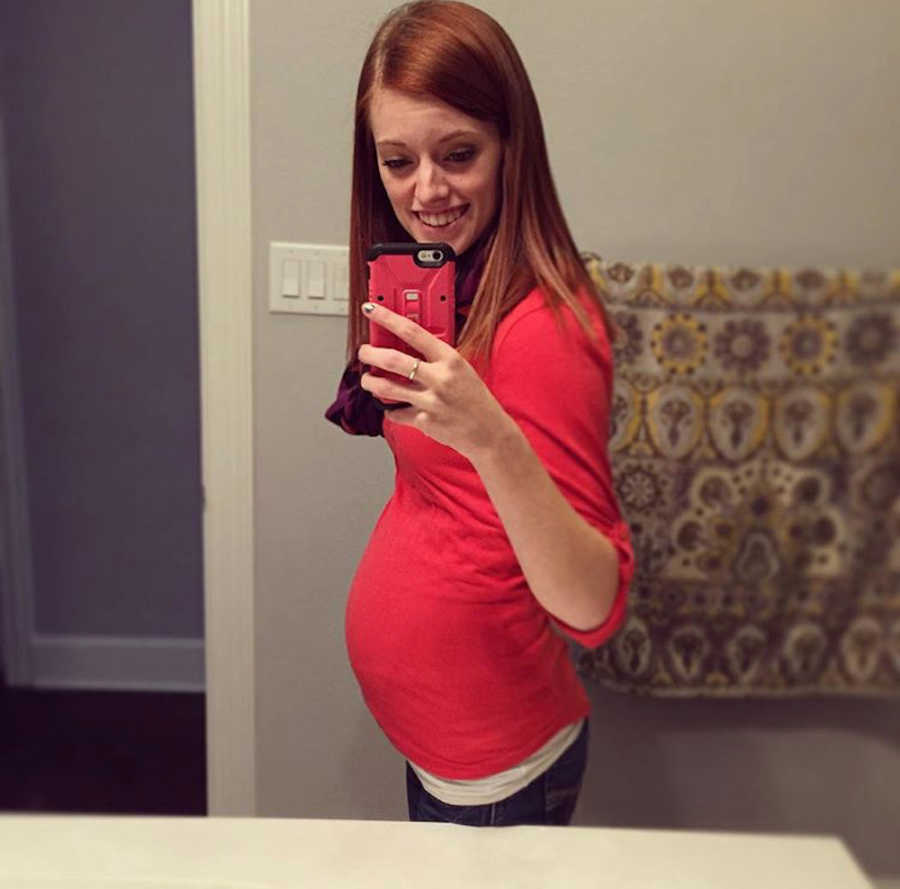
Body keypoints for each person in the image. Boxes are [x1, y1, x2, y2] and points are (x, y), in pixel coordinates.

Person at [325, 0, 635, 827]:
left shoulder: (547, 327)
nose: (425, 191)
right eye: (397, 161)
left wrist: (489, 433)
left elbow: (594, 604)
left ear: (511, 150)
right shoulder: (448, 294)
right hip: (451, 756)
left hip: (502, 774)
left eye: (458, 154)